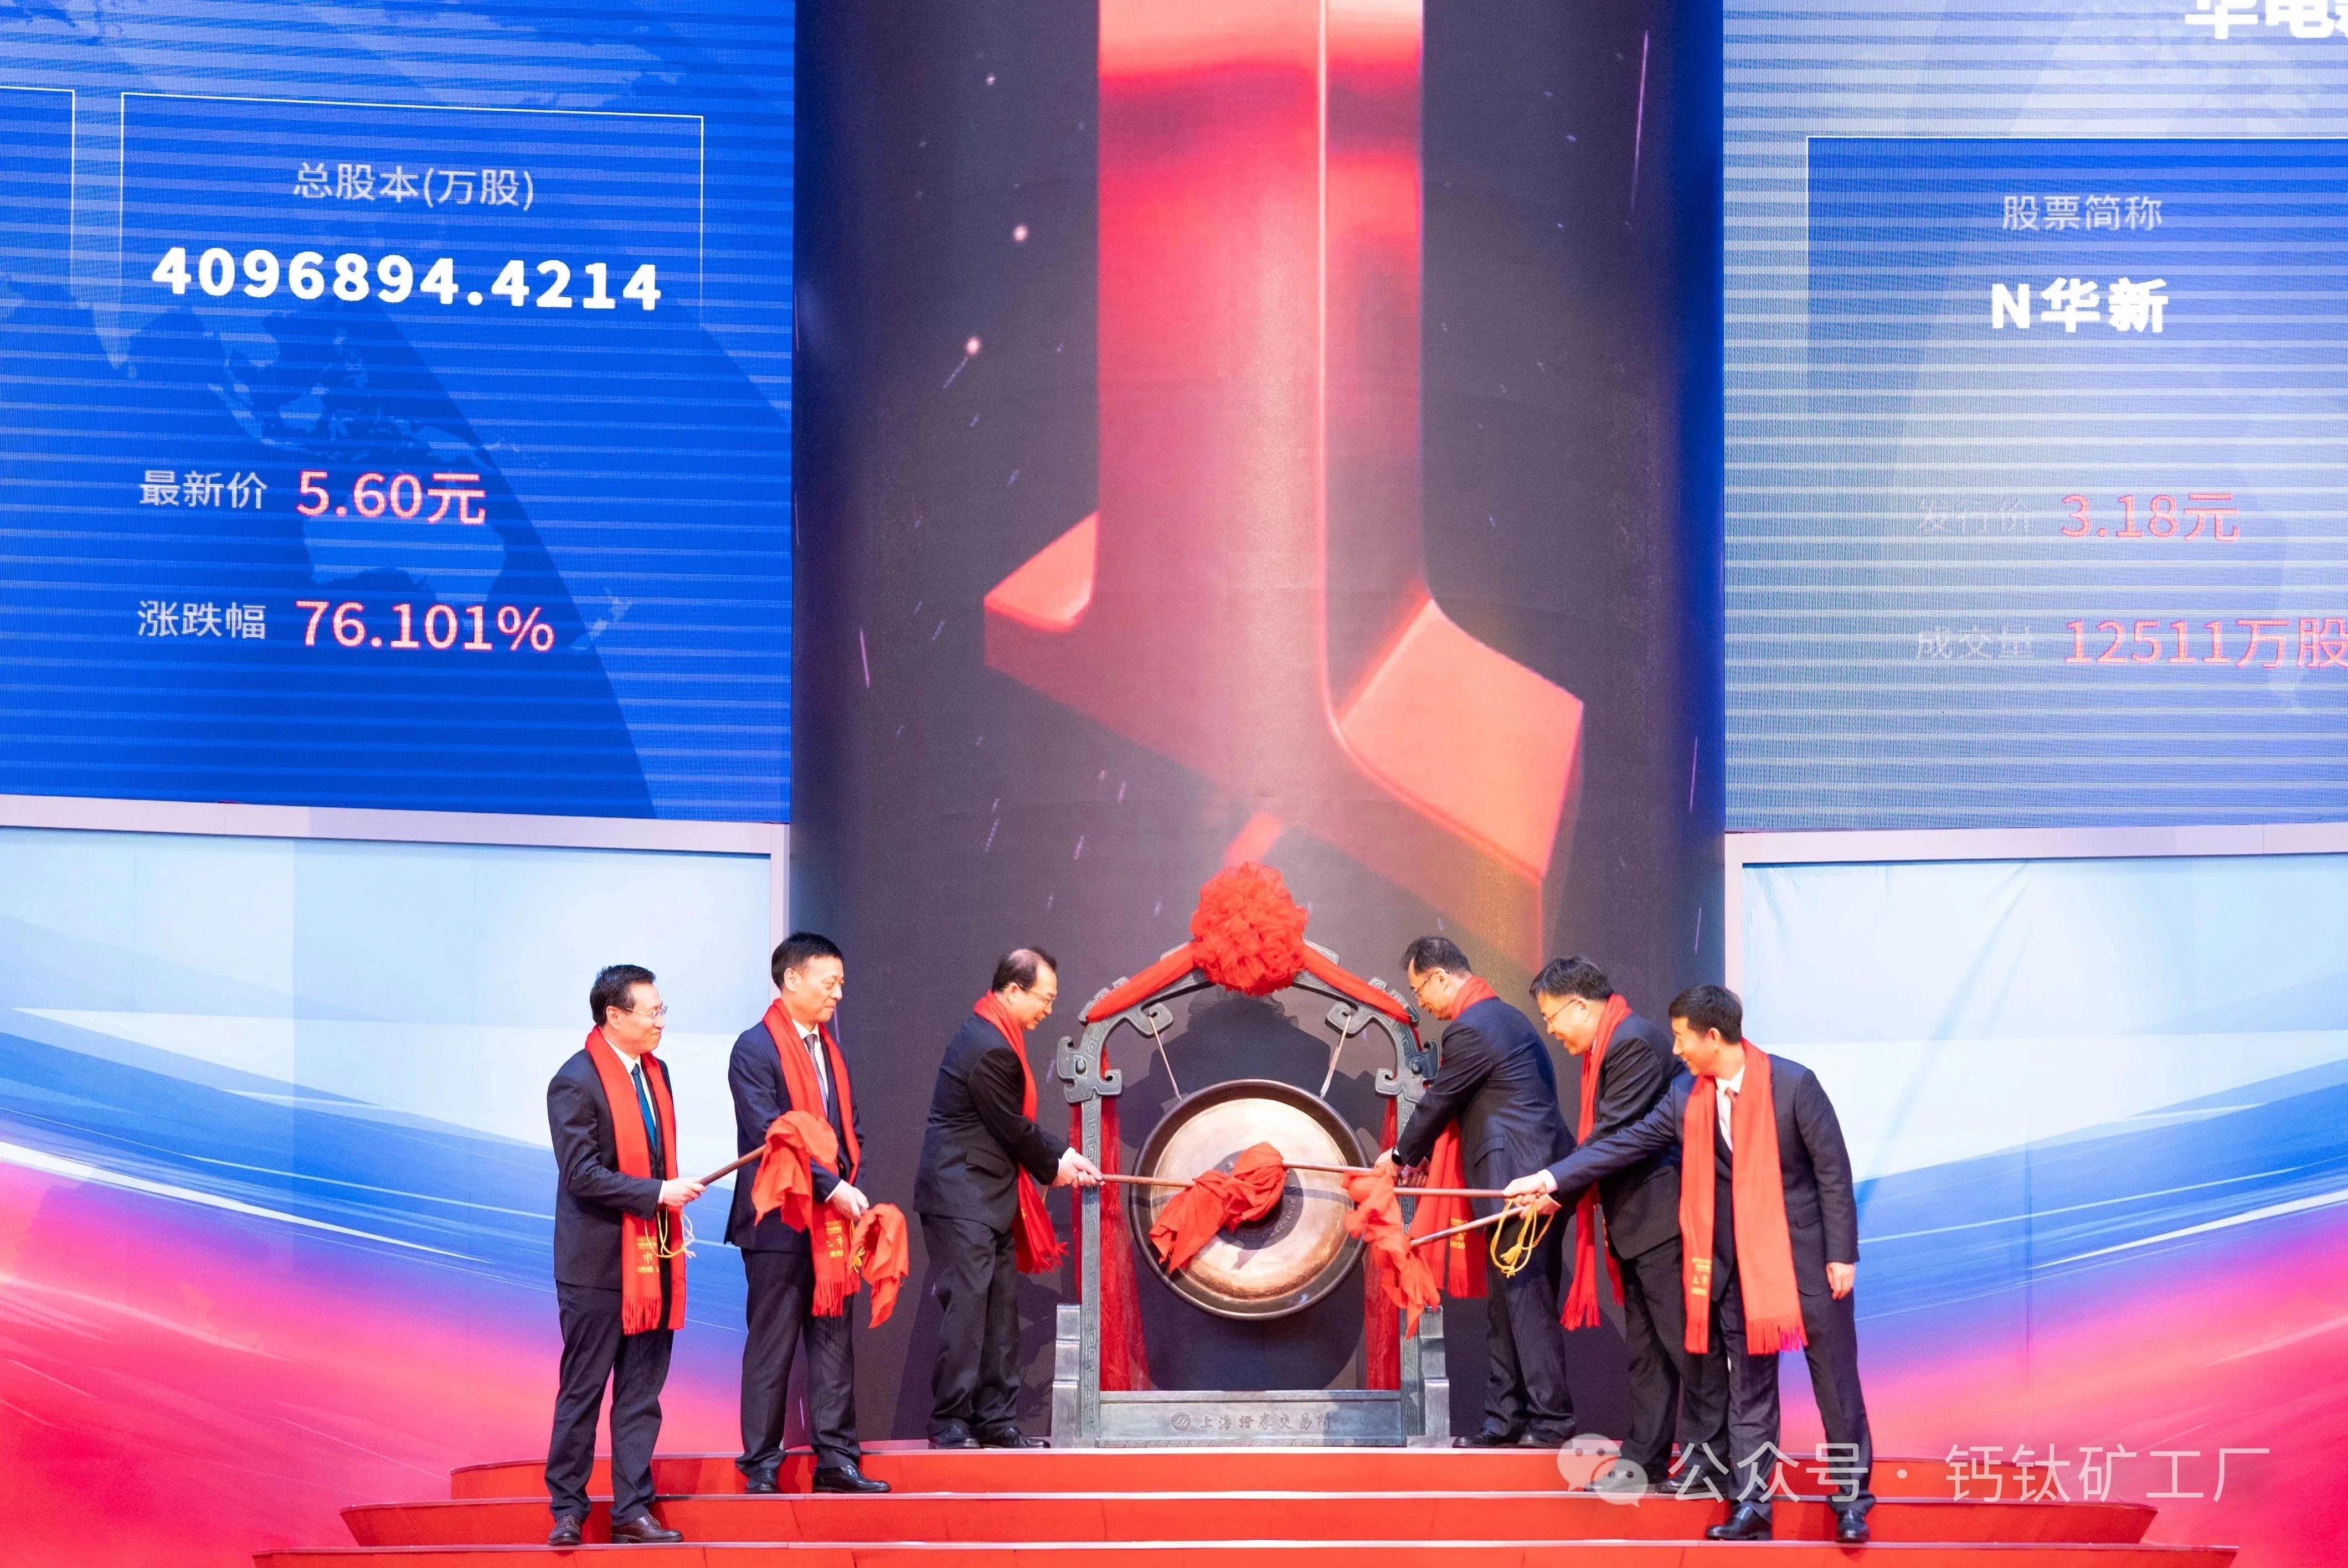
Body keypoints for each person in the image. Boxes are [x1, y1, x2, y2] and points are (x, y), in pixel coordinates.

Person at [1506, 983, 1872, 1544]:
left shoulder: (1794, 1085)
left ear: (1713, 1036)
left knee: (1835, 1387)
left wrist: (1842, 1254)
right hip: (1738, 1270)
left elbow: (1832, 1174)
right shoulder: (1685, 1096)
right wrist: (1551, 1178)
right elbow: (1625, 1143)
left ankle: (1850, 1501)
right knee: (1749, 1395)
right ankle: (1751, 1505)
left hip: (1809, 1263)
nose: (1675, 1050)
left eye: (1681, 1038)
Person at [1376, 935, 1578, 1448]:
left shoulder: (1473, 1028)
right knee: (1506, 1304)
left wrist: (1399, 1157)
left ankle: (1551, 1421)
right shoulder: (1503, 1018)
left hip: (1520, 1180)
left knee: (1525, 1298)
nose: (1422, 1002)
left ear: (1441, 977)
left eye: (1420, 989)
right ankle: (1504, 1417)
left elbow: (1441, 1100)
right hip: (1524, 1171)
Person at [912, 947, 1101, 1447]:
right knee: (969, 1313)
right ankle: (950, 1421)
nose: (1049, 1010)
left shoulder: (995, 1035)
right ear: (1014, 990)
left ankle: (996, 1420)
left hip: (987, 1198)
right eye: (1045, 998)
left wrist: (1064, 1154)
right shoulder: (988, 1045)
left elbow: (1014, 1125)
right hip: (961, 1196)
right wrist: (1055, 1165)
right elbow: (1010, 1126)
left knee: (1000, 1315)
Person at [544, 964, 704, 1548]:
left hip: (653, 1258)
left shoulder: (656, 1074)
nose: (661, 1021)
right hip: (596, 1267)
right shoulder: (575, 1081)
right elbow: (582, 1174)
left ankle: (632, 1510)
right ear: (614, 1016)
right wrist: (658, 1193)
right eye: (651, 1011)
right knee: (583, 1390)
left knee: (641, 1395)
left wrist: (666, 1193)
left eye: (662, 1010)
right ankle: (567, 1508)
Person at [725, 932, 889, 1495]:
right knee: (772, 1346)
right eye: (830, 982)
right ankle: (761, 1466)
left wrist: (845, 1186)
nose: (838, 994)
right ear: (792, 979)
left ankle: (837, 1460)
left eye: (841, 984)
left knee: (834, 1343)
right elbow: (771, 1135)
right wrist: (831, 1188)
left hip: (831, 1222)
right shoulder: (754, 1048)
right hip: (777, 1222)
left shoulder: (830, 1050)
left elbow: (850, 1130)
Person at [1529, 957, 1691, 1490]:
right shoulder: (1609, 1046)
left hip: (1663, 1219)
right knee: (1647, 1355)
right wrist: (1554, 1188)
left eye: (1552, 1017)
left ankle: (1715, 1462)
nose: (1552, 1030)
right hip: (1636, 1223)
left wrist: (1554, 1185)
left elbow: (1614, 1135)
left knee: (1686, 1349)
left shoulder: (1633, 1043)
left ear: (1580, 1006)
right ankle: (1645, 1462)